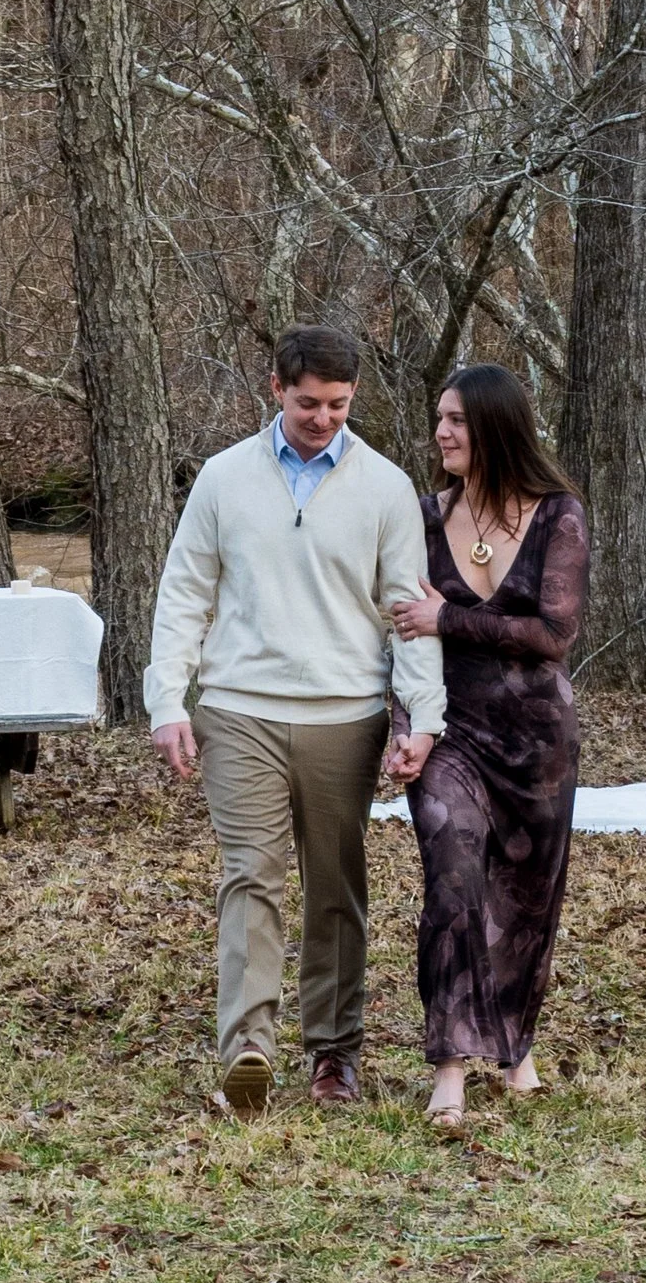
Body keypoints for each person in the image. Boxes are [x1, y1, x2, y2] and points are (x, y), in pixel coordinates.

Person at [145, 324, 444, 1114]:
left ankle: (334, 1055)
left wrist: (422, 718)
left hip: (344, 715)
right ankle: (247, 1049)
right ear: (275, 389)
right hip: (238, 709)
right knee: (251, 875)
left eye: (339, 405)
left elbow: (408, 613)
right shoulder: (222, 478)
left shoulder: (384, 487)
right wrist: (167, 702)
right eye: (308, 402)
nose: (322, 418)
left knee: (335, 885)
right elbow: (185, 595)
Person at [388, 360, 589, 1131]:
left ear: (497, 427)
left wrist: (452, 620)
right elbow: (397, 634)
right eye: (439, 418)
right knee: (452, 872)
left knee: (525, 898)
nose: (442, 432)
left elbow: (552, 634)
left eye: (459, 420)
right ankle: (448, 1064)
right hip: (449, 729)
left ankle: (514, 1047)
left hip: (538, 737)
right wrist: (405, 723)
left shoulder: (557, 515)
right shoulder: (420, 517)